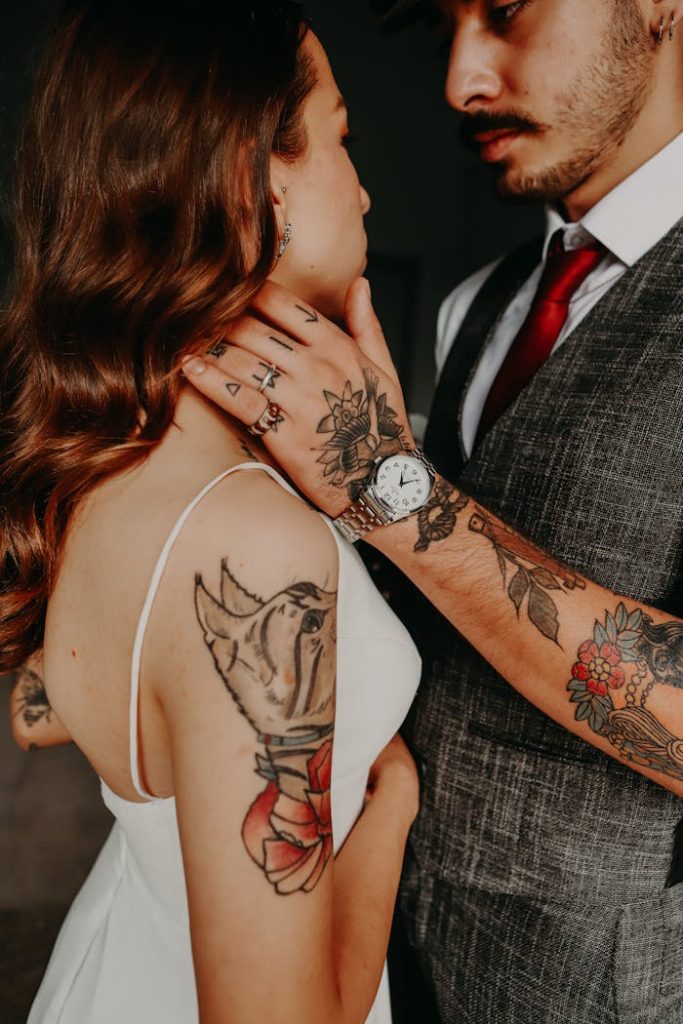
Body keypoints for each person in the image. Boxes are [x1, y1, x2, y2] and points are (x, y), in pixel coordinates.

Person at [182, 0, 683, 1021]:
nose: (461, 79)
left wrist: (386, 487)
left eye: (504, 12)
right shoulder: (476, 306)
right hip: (385, 960)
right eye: (443, 28)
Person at [0, 3, 422, 1023]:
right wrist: (395, 801)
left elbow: (46, 705)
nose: (362, 186)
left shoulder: (108, 463)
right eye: (339, 137)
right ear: (253, 185)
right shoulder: (246, 538)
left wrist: (375, 490)